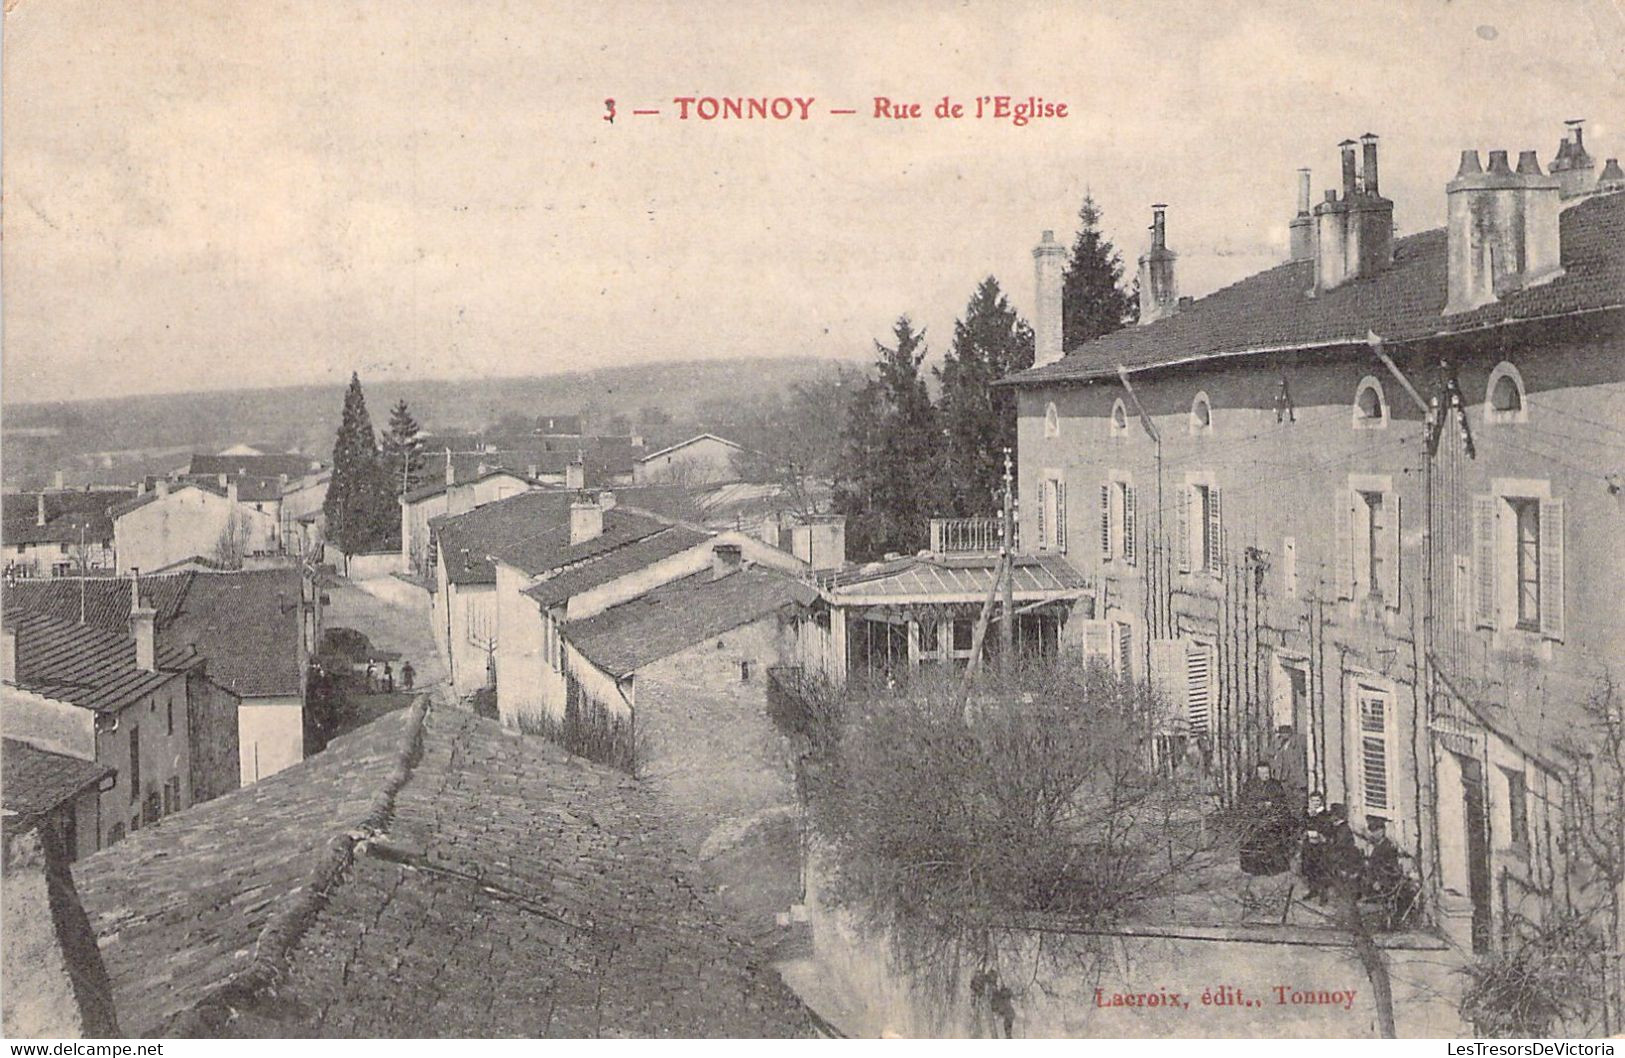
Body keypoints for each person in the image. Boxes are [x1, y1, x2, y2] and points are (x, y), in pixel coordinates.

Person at [1362, 817, 1419, 930]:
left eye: (1377, 831)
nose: (1374, 834)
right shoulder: (1379, 845)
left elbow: (1389, 869)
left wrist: (1378, 882)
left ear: (1382, 831)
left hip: (1386, 882)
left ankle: (1386, 922)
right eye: (1372, 831)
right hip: (1378, 880)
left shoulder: (1387, 847)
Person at [1238, 763, 1293, 875]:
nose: (1265, 775)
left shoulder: (1276, 785)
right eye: (1262, 773)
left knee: (1274, 842)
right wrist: (1257, 806)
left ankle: (1274, 869)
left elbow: (1283, 802)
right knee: (1254, 844)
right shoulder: (1250, 785)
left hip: (1273, 820)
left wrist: (1273, 804)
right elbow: (1244, 802)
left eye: (1267, 773)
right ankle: (1254, 869)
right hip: (1255, 820)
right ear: (1257, 773)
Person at [1300, 792, 1333, 903]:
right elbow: (1303, 826)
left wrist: (1320, 834)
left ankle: (1323, 895)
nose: (1315, 803)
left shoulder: (1325, 815)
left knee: (1320, 869)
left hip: (1320, 847)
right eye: (1313, 801)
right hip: (1309, 845)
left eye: (1317, 801)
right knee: (1310, 868)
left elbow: (1327, 830)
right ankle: (1312, 890)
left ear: (1321, 802)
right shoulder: (1307, 814)